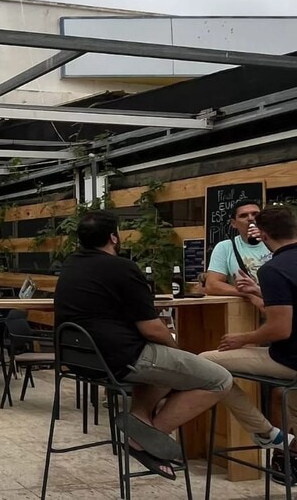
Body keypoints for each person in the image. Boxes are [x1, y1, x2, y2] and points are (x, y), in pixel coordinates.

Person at [55, 210, 232, 479]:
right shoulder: (122, 268)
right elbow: (151, 328)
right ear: (114, 237)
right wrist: (179, 348)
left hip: (84, 359)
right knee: (219, 379)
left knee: (167, 367)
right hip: (122, 358)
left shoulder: (70, 265)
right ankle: (145, 438)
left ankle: (140, 420)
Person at [200, 206, 297, 480]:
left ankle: (265, 433)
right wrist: (258, 292)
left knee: (206, 364)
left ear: (263, 235)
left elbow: (280, 328)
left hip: (288, 359)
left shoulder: (274, 269)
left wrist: (242, 339)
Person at [204, 199, 272, 310]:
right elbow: (212, 285)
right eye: (243, 215)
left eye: (255, 214)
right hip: (246, 314)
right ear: (233, 223)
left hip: (283, 309)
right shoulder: (226, 247)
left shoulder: (277, 241)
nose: (250, 218)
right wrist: (249, 295)